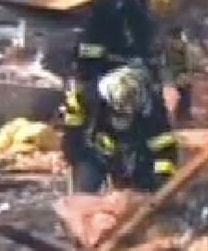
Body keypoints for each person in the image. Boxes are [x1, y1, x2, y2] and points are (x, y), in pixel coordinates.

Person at [61, 65, 178, 193]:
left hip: (134, 152)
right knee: (86, 185)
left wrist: (161, 180)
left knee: (137, 190)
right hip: (94, 151)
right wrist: (72, 154)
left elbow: (165, 147)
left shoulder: (152, 110)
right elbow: (72, 129)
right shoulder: (85, 97)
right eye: (119, 114)